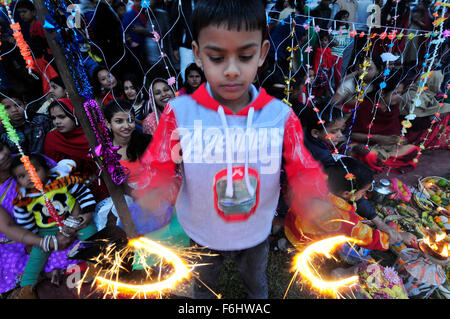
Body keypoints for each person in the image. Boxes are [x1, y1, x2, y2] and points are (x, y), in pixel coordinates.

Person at [136, 0, 329, 299]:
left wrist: (312, 197)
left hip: (254, 230)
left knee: (256, 283)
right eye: (216, 57)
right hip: (201, 229)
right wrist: (152, 189)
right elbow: (160, 161)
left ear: (262, 53)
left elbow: (301, 165)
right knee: (204, 285)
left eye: (245, 56)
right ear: (198, 54)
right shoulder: (179, 112)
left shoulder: (280, 116)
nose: (231, 71)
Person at [285, 157, 417, 254]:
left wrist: (379, 223)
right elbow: (367, 237)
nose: (364, 195)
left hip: (294, 221)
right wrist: (398, 237)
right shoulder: (341, 216)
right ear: (346, 193)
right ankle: (295, 248)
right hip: (306, 237)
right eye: (363, 192)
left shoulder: (321, 177)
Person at [11, 154, 98, 294]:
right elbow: (25, 222)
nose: (29, 177)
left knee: (90, 234)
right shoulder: (23, 200)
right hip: (47, 231)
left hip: (73, 221)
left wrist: (87, 213)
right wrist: (33, 239)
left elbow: (82, 193)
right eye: (22, 176)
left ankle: (96, 265)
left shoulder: (62, 181)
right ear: (17, 181)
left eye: (34, 171)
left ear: (46, 169)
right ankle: (26, 287)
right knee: (36, 256)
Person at [0, 144, 79, 297]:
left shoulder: (32, 161)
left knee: (74, 246)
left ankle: (49, 271)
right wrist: (45, 242)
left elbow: (67, 189)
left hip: (59, 225)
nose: (2, 156)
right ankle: (32, 283)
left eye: (1, 149)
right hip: (19, 240)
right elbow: (7, 227)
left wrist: (73, 223)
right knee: (13, 262)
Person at [349, 71, 421, 174]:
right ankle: (380, 163)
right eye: (396, 93)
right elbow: (351, 134)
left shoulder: (393, 107)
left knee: (415, 150)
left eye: (400, 93)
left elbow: (394, 130)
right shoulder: (366, 106)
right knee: (370, 155)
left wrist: (398, 139)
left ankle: (380, 164)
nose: (399, 97)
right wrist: (377, 138)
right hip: (365, 145)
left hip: (385, 148)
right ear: (382, 93)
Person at [43, 98, 109, 201]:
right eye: (53, 118)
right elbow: (55, 172)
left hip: (107, 184)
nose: (57, 122)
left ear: (75, 114)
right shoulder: (52, 139)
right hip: (75, 193)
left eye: (62, 117)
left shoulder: (95, 132)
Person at [0, 89, 53, 154]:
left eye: (18, 105)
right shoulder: (3, 133)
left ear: (25, 104)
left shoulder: (42, 120)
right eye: (7, 107)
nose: (14, 110)